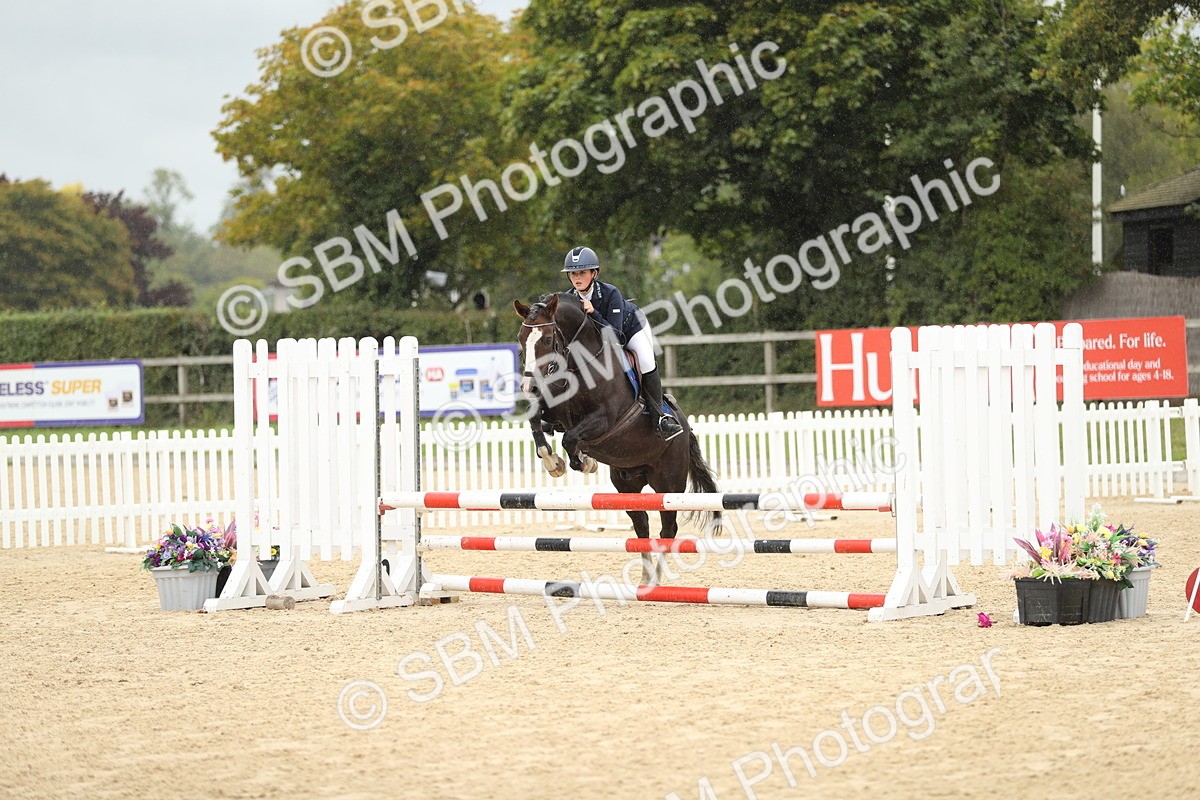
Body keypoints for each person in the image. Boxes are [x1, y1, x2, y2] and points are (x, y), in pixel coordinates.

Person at [560, 245, 683, 440]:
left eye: (582, 272)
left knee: (646, 361)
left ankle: (659, 416)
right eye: (573, 273)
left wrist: (594, 312)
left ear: (594, 273)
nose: (577, 277)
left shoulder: (610, 294)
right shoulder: (570, 299)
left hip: (630, 330)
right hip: (601, 341)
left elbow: (615, 337)